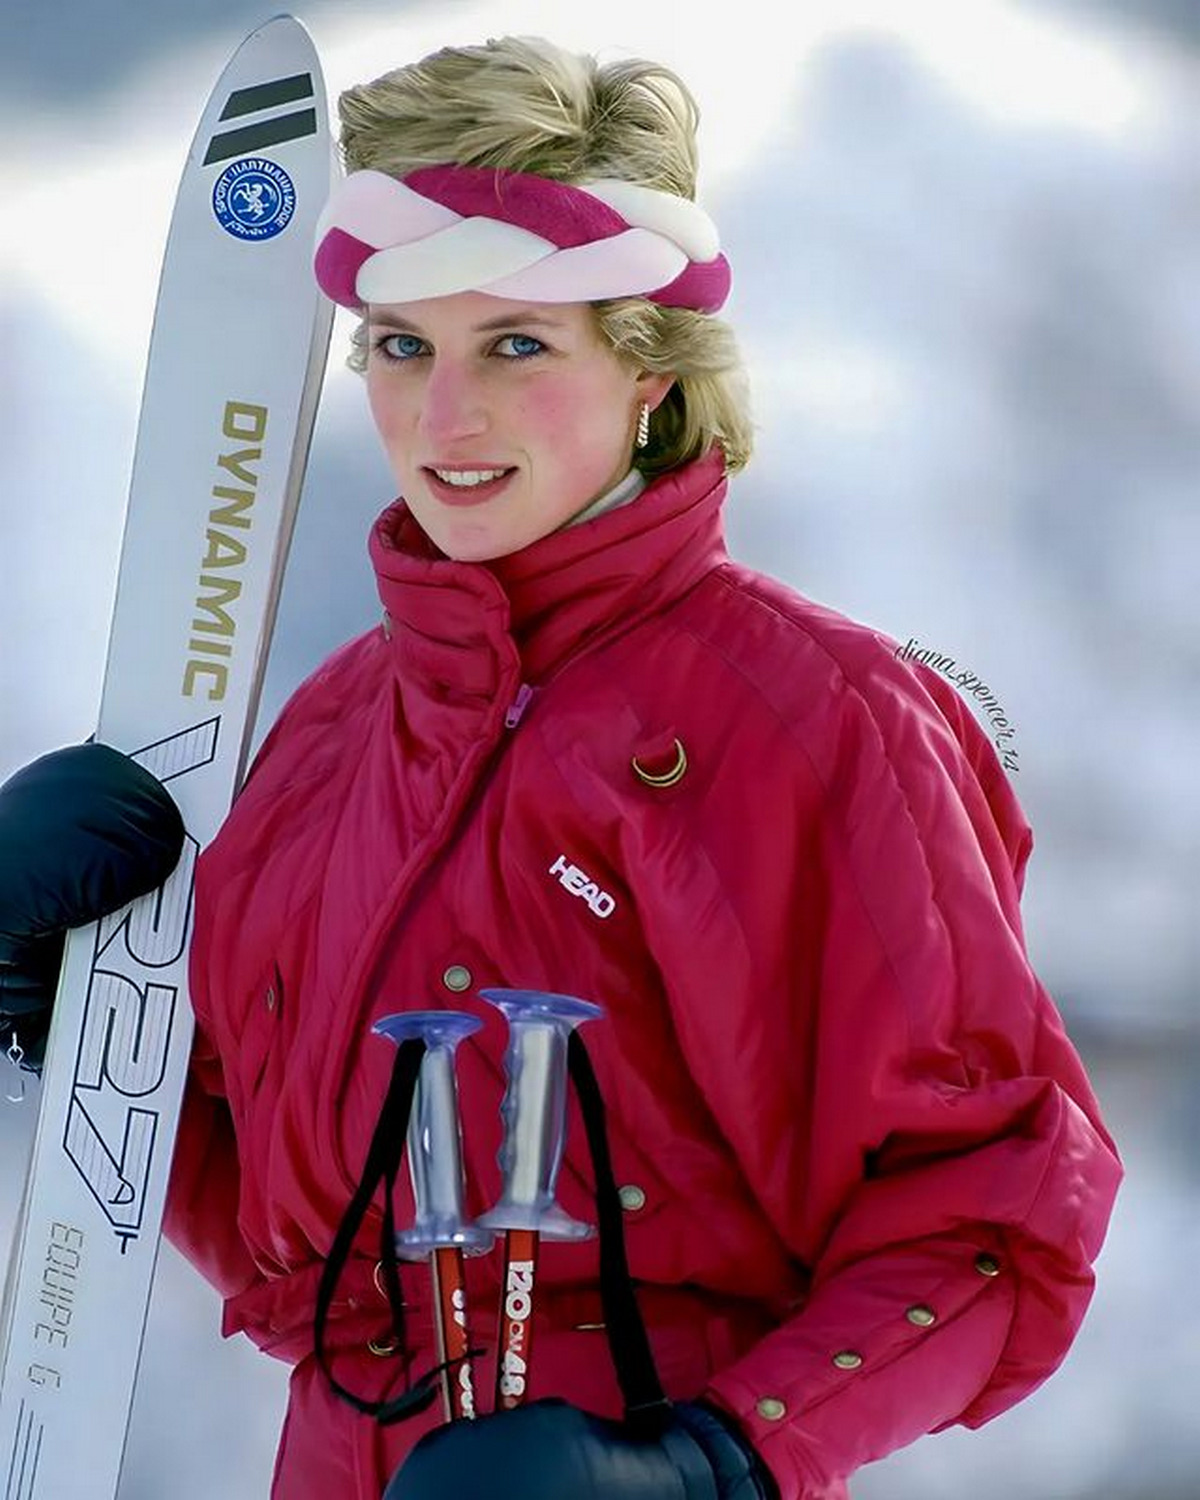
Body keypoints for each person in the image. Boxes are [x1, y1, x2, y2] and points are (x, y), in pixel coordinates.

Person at [0, 33, 1122, 1500]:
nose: (445, 418)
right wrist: (57, 1015)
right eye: (405, 347)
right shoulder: (337, 732)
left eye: (516, 345)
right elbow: (295, 1243)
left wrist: (699, 1466)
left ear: (653, 373)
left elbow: (995, 1222)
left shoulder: (816, 719)